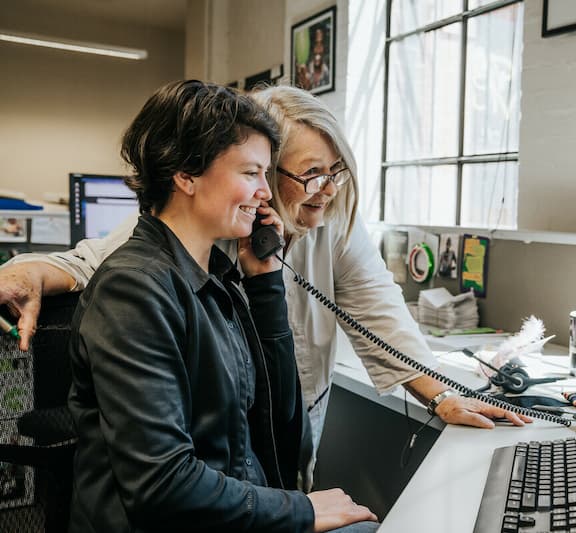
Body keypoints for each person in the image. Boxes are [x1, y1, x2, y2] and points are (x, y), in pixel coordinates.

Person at [0, 85, 529, 461]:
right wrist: (25, 270)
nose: (328, 188)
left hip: (294, 423)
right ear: (261, 167)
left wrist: (439, 392)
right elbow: (93, 262)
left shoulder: (335, 222)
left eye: (336, 171)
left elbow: (379, 309)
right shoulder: (198, 233)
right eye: (311, 173)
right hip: (218, 446)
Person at [66, 80, 376, 532]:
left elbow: (283, 429)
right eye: (251, 174)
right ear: (186, 174)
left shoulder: (217, 281)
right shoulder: (132, 292)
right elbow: (162, 484)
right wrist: (301, 511)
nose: (265, 193)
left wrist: (267, 282)